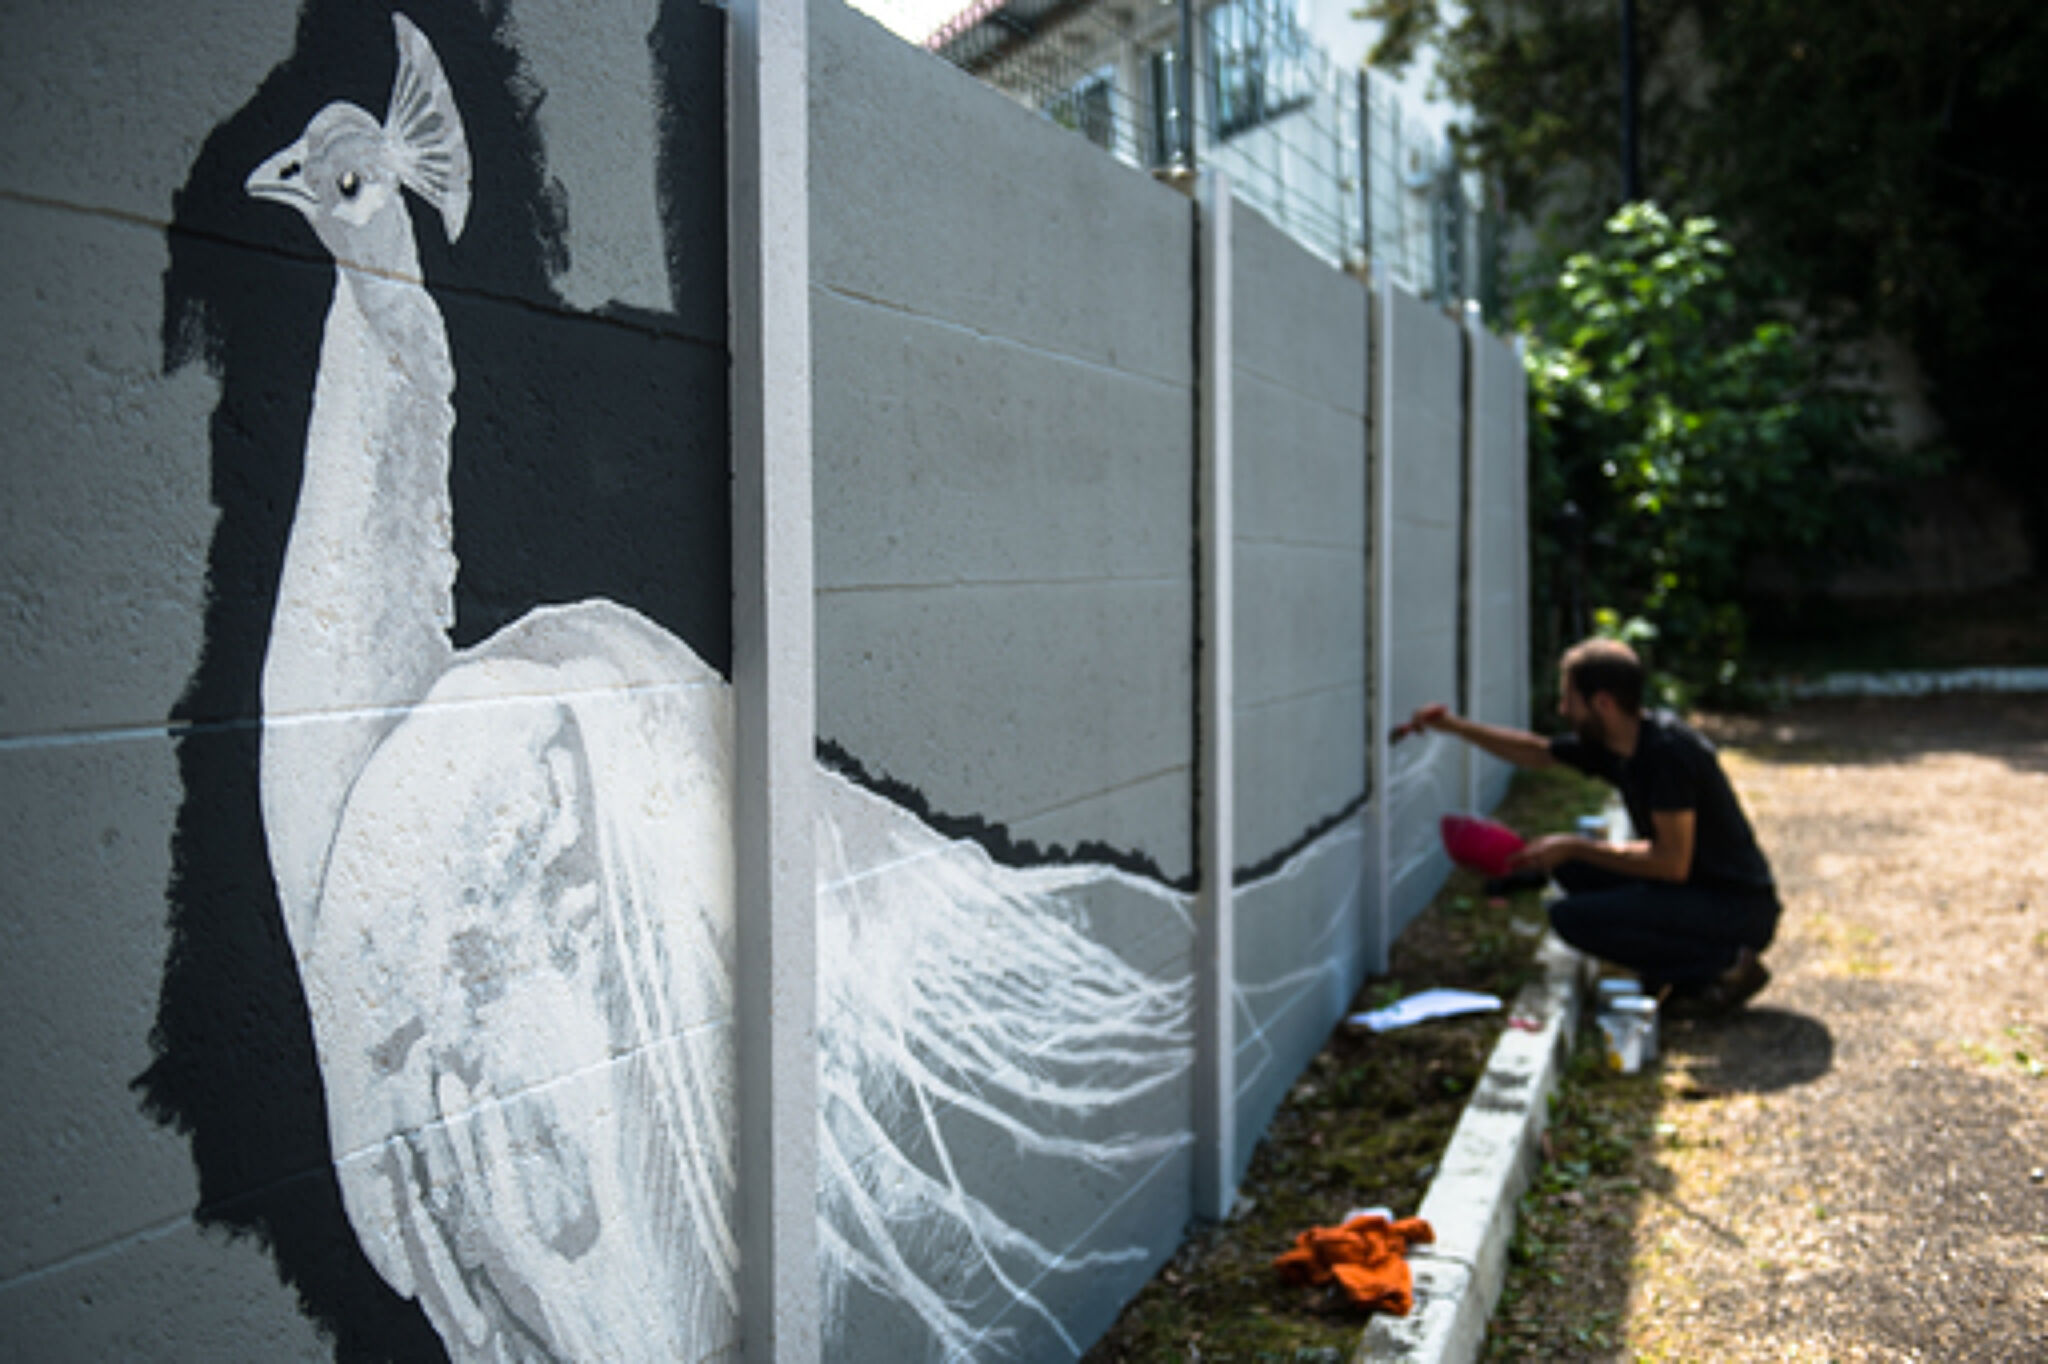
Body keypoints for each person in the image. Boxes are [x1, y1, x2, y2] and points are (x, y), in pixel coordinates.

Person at [1409, 637, 1778, 1013]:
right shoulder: (1618, 744)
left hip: (1735, 908)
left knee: (1571, 918)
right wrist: (1454, 727)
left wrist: (1574, 845)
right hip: (1695, 890)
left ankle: (1723, 965)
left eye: (1569, 699)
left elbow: (1671, 863)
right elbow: (1537, 751)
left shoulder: (1667, 754)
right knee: (1570, 868)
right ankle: (1685, 966)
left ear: (1603, 703)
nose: (1562, 709)